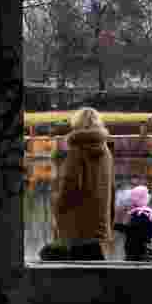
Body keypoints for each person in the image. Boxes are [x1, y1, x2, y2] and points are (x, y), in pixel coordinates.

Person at [52, 107, 115, 260]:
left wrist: (57, 207)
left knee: (78, 273)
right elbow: (111, 188)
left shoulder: (77, 150)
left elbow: (70, 185)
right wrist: (109, 219)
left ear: (77, 124)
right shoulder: (106, 151)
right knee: (96, 266)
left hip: (78, 223)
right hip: (99, 221)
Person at [115, 185, 152, 261]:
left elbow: (132, 231)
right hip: (145, 249)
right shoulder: (150, 214)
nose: (131, 202)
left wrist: (117, 227)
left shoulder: (140, 214)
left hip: (136, 252)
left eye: (132, 199)